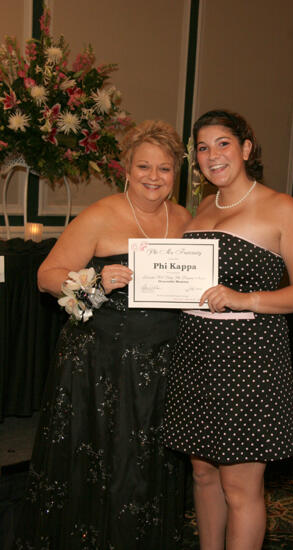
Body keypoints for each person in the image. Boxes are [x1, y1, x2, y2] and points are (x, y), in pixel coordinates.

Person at [14, 120, 191, 550]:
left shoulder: (186, 218)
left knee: (146, 461)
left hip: (162, 361)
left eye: (164, 169)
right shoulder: (100, 215)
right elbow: (45, 277)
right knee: (102, 459)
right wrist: (95, 280)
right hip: (100, 363)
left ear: (175, 174)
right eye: (143, 167)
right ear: (126, 170)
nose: (153, 177)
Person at [163, 109, 293, 550]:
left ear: (246, 148)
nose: (211, 155)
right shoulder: (205, 205)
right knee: (202, 473)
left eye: (223, 143)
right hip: (196, 356)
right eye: (202, 147)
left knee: (240, 487)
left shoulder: (281, 208)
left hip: (247, 363)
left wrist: (244, 298)